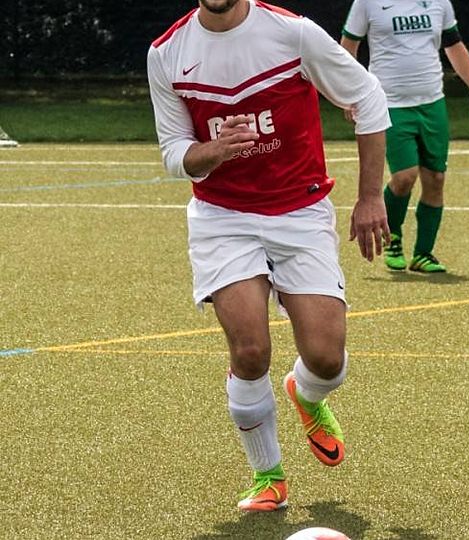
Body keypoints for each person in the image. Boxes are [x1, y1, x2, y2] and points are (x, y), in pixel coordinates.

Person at [147, 0, 391, 512]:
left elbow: (367, 95)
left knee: (327, 359)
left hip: (300, 210)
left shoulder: (293, 34)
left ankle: (306, 393)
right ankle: (268, 476)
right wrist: (210, 152)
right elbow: (173, 151)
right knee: (250, 349)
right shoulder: (167, 53)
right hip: (223, 218)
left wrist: (371, 197)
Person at [340, 0, 469, 273]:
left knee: (435, 178)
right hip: (388, 103)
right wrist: (348, 92)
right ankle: (393, 237)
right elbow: (349, 46)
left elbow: (454, 45)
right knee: (404, 177)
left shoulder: (439, 3)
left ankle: (423, 254)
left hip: (432, 102)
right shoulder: (367, 3)